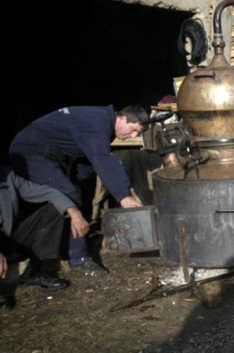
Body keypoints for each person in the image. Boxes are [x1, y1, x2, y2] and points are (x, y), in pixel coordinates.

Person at [9, 104, 148, 276]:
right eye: (133, 130)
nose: (132, 136)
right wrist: (123, 195)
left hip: (53, 154)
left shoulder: (102, 121)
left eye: (137, 134)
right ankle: (78, 258)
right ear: (122, 118)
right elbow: (101, 158)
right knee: (69, 194)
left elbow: (89, 157)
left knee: (81, 180)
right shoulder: (96, 123)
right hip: (29, 153)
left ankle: (65, 241)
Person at [1, 165, 90, 306]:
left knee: (55, 208)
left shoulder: (7, 175)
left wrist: (74, 212)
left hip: (10, 239)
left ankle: (33, 272)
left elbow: (48, 193)